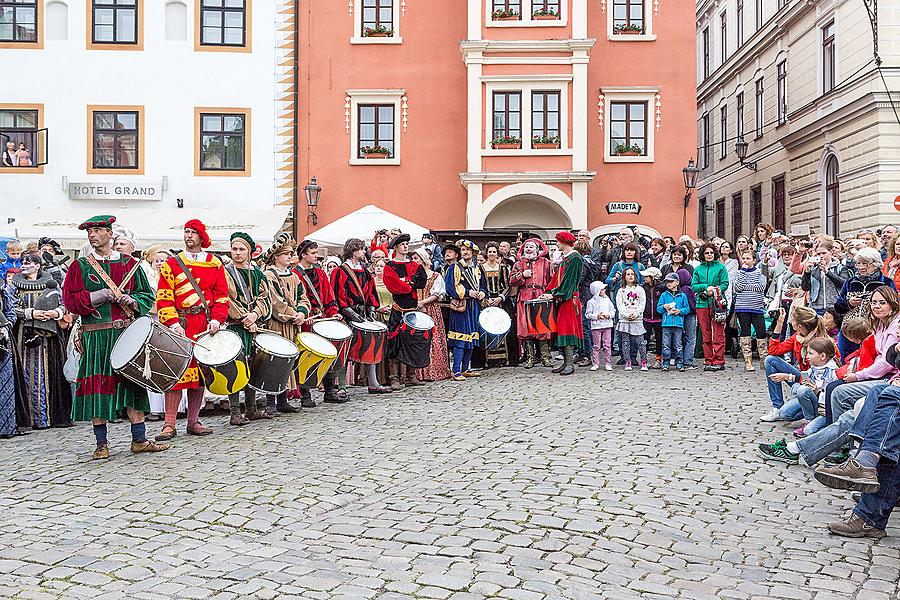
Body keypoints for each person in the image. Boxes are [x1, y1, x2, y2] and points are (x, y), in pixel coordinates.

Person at [62, 215, 168, 458]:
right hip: (96, 336)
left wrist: (132, 300)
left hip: (125, 333)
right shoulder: (79, 266)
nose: (92, 235)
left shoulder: (130, 264)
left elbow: (146, 296)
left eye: (98, 230)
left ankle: (139, 440)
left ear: (110, 234)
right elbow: (70, 301)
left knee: (132, 386)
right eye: (89, 232)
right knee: (98, 387)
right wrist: (99, 295)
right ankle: (101, 444)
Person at [155, 219, 230, 440]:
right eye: (186, 232)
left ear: (201, 237)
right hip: (181, 324)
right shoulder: (172, 264)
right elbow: (164, 297)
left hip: (205, 325)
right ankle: (169, 424)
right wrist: (173, 323)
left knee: (199, 375)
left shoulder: (214, 263)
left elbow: (221, 296)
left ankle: (193, 421)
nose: (188, 236)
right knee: (176, 372)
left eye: (193, 232)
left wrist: (217, 319)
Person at [8, 253, 73, 429]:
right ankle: (28, 419)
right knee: (25, 373)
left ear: (37, 266)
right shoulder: (14, 285)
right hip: (24, 335)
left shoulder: (51, 283)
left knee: (50, 374)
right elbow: (11, 307)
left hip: (49, 336)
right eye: (22, 262)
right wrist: (30, 313)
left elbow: (63, 303)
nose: (24, 265)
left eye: (28, 262)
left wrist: (55, 313)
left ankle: (48, 418)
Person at [224, 232, 273, 424]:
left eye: (241, 249)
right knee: (235, 367)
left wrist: (255, 315)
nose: (237, 253)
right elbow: (226, 298)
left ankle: (251, 409)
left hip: (254, 326)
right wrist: (244, 318)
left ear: (249, 252)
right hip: (235, 326)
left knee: (253, 365)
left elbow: (265, 298)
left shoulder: (258, 273)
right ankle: (235, 412)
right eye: (234, 249)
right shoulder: (225, 272)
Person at [332, 238, 391, 394]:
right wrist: (349, 313)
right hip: (347, 315)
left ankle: (373, 383)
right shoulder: (341, 271)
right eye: (362, 249)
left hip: (364, 314)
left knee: (370, 346)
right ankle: (342, 386)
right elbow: (338, 295)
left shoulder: (364, 270)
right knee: (345, 351)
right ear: (353, 251)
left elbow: (371, 291)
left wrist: (371, 309)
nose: (364, 252)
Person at [262, 233, 311, 413]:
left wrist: (302, 312)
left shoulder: (294, 276)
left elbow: (303, 298)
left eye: (291, 253)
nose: (290, 256)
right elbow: (276, 303)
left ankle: (283, 400)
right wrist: (294, 315)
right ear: (276, 256)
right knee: (275, 361)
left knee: (289, 362)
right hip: (277, 325)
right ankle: (271, 402)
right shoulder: (269, 275)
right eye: (286, 254)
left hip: (292, 325)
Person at [296, 239, 348, 403]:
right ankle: (305, 395)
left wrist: (334, 312)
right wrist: (306, 315)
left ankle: (329, 392)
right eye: (312, 253)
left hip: (323, 320)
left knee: (329, 354)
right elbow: (297, 299)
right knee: (307, 358)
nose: (316, 256)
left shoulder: (320, 273)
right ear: (303, 255)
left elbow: (328, 296)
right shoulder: (295, 274)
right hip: (306, 322)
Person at [760, 306, 832, 422]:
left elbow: (817, 376)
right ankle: (777, 407)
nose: (790, 322)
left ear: (799, 326)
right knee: (770, 360)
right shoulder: (799, 337)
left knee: (789, 410)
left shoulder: (821, 342)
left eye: (792, 320)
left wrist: (788, 377)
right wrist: (779, 323)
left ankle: (814, 416)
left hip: (817, 386)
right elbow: (774, 351)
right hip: (804, 378)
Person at [383, 233, 427, 389]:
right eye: (402, 244)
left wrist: (408, 282)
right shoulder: (390, 266)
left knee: (412, 341)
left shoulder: (414, 265)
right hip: (398, 309)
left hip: (412, 308)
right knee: (394, 342)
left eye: (407, 244)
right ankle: (394, 378)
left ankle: (411, 376)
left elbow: (421, 280)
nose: (406, 246)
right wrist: (409, 284)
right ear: (396, 247)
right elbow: (393, 285)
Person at [834, 247, 894, 359]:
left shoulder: (885, 282)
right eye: (858, 263)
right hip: (848, 331)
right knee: (847, 361)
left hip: (873, 330)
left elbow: (894, 306)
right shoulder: (850, 282)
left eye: (865, 264)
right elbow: (837, 307)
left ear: (875, 264)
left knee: (869, 361)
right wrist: (849, 303)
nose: (861, 267)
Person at [543, 232, 584, 375]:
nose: (557, 244)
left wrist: (555, 293)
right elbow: (556, 279)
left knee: (567, 329)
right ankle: (565, 362)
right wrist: (549, 291)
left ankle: (570, 364)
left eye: (558, 241)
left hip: (569, 299)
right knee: (561, 328)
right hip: (562, 299)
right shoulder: (565, 258)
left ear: (564, 241)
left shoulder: (575, 258)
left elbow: (570, 281)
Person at [445, 240, 488, 380]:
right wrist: (468, 292)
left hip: (474, 306)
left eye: (467, 250)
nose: (465, 252)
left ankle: (465, 368)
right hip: (462, 305)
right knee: (460, 337)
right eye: (462, 250)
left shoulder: (478, 268)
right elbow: (450, 287)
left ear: (473, 252)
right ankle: (456, 370)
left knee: (471, 336)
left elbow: (483, 285)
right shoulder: (455, 267)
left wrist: (482, 292)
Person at [509, 238, 552, 368]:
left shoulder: (546, 263)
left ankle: (545, 357)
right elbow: (511, 280)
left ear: (537, 249)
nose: (528, 249)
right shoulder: (518, 264)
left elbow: (551, 280)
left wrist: (549, 294)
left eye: (531, 247)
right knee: (526, 328)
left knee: (542, 326)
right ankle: (530, 358)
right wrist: (522, 275)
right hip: (524, 297)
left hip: (540, 296)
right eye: (526, 246)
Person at [411, 247, 450, 382]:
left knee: (433, 338)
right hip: (415, 310)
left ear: (423, 260)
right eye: (413, 258)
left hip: (430, 309)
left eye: (416, 258)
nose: (413, 261)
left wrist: (422, 302)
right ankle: (417, 373)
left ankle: (433, 370)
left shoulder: (435, 276)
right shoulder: (412, 276)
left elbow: (437, 294)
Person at [692, 243, 729, 371]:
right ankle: (708, 360)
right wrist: (705, 287)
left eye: (711, 253)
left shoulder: (720, 268)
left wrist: (715, 290)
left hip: (717, 304)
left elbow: (725, 283)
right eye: (706, 253)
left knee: (718, 333)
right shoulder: (698, 269)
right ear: (702, 254)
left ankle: (719, 360)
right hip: (702, 304)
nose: (709, 255)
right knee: (705, 333)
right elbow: (694, 286)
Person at [733, 249, 768, 371]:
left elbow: (761, 287)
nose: (746, 261)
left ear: (754, 260)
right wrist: (743, 272)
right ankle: (748, 361)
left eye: (748, 258)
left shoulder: (759, 273)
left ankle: (764, 360)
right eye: (744, 258)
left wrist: (746, 287)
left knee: (761, 332)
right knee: (745, 332)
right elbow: (737, 287)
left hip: (757, 307)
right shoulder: (739, 273)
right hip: (742, 307)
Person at [482, 241, 515, 367]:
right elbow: (480, 285)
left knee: (505, 328)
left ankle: (505, 359)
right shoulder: (480, 268)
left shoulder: (503, 268)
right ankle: (487, 361)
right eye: (490, 251)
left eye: (494, 252)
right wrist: (486, 299)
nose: (491, 254)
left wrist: (500, 297)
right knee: (486, 329)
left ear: (497, 254)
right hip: (487, 302)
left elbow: (507, 286)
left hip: (501, 302)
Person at [802, 239, 849, 316]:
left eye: (824, 253)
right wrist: (807, 272)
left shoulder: (840, 267)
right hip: (817, 308)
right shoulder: (814, 268)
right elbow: (805, 287)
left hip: (835, 307)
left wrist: (827, 272)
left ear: (831, 252)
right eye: (818, 254)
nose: (821, 256)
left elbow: (843, 284)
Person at [615, 267, 646, 371]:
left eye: (632, 274)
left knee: (640, 341)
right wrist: (626, 315)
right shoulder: (621, 290)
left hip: (637, 319)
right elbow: (619, 305)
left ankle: (644, 361)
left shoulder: (640, 289)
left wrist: (636, 314)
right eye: (628, 274)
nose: (630, 276)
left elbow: (642, 304)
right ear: (624, 277)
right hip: (625, 319)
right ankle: (627, 361)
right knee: (625, 341)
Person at [657, 272, 690, 371]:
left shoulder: (682, 295)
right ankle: (666, 362)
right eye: (667, 282)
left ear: (677, 282)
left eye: (671, 281)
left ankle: (679, 362)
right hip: (666, 324)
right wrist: (664, 306)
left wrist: (680, 311)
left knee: (678, 344)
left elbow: (687, 308)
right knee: (666, 344)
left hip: (678, 324)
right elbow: (658, 309)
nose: (668, 284)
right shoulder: (664, 295)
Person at [0, 281, 19, 438]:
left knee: (4, 387)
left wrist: (5, 328)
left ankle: (5, 428)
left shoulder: (2, 290)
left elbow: (10, 313)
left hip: (2, 342)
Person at [584, 281, 615, 371]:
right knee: (596, 345)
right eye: (602, 289)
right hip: (596, 326)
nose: (604, 290)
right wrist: (597, 316)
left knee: (607, 345)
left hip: (607, 325)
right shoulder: (591, 302)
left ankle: (608, 363)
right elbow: (588, 314)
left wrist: (608, 315)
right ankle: (595, 363)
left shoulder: (607, 300)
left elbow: (613, 310)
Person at [640, 267, 663, 368]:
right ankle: (644, 359)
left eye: (647, 276)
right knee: (645, 340)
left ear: (653, 277)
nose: (644, 277)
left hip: (659, 318)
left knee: (659, 340)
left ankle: (659, 359)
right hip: (646, 318)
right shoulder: (643, 287)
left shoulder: (662, 288)